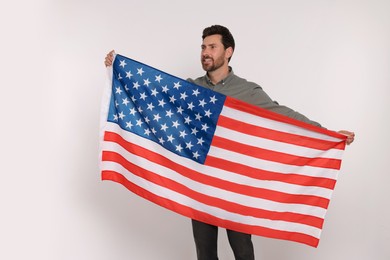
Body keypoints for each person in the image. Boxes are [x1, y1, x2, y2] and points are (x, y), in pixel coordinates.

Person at [104, 25, 355, 260]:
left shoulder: (247, 91)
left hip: (235, 186)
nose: (205, 52)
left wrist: (326, 133)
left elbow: (282, 114)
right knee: (205, 253)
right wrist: (118, 69)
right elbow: (155, 96)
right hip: (200, 186)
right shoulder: (191, 88)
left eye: (212, 47)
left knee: (243, 251)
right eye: (203, 47)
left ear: (228, 52)